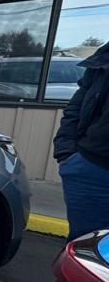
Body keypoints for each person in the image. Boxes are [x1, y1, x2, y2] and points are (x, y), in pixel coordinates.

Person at [53, 41, 109, 239]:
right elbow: (76, 106)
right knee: (86, 253)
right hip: (91, 171)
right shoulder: (104, 57)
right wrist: (66, 153)